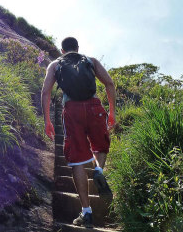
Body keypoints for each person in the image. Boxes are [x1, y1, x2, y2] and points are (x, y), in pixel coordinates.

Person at [41, 37, 116, 228]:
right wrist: (112, 113)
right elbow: (109, 84)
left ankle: (86, 212)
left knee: (76, 160)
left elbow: (45, 92)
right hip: (94, 106)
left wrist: (48, 121)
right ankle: (98, 169)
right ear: (77, 48)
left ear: (62, 50)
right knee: (100, 145)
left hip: (72, 109)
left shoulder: (56, 64)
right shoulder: (90, 61)